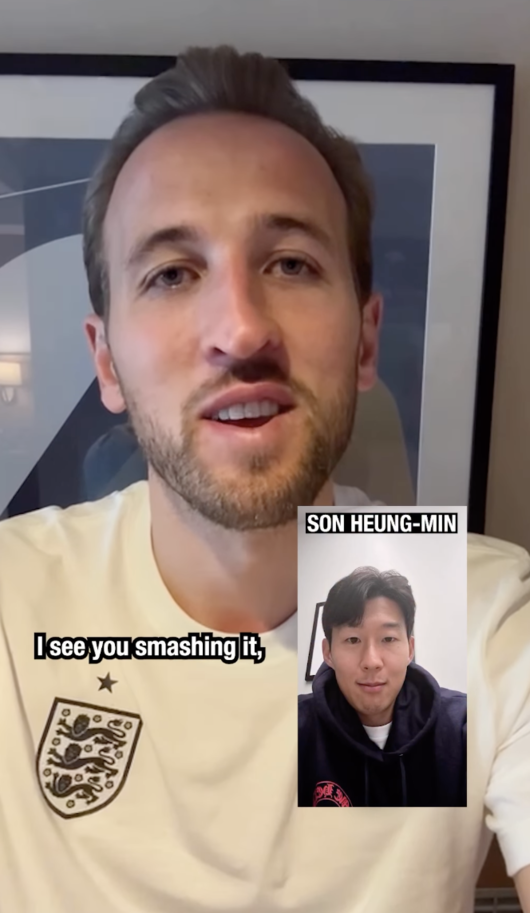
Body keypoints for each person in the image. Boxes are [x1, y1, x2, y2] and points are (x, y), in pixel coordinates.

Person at [0, 44, 528, 913]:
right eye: (172, 273)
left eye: (290, 263)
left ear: (365, 340)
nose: (241, 329)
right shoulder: (14, 600)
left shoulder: (480, 620)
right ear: (107, 362)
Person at [298, 567, 467, 807]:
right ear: (328, 653)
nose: (371, 661)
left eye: (388, 639)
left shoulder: (462, 726)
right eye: (353, 640)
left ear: (410, 649)